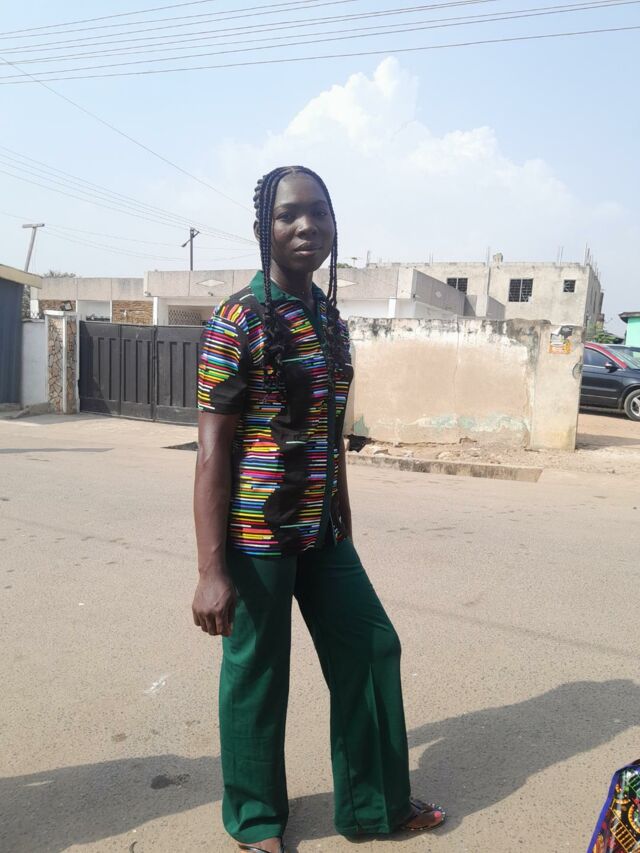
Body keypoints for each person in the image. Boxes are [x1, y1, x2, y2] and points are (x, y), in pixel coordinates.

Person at [192, 165, 445, 853]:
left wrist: (345, 523)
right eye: (289, 215)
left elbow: (332, 438)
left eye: (320, 213)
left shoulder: (331, 321)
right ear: (263, 228)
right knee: (257, 675)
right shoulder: (237, 319)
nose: (307, 226)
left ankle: (373, 805)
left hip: (324, 533)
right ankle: (256, 822)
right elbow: (212, 449)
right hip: (255, 538)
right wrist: (211, 569)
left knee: (371, 647)